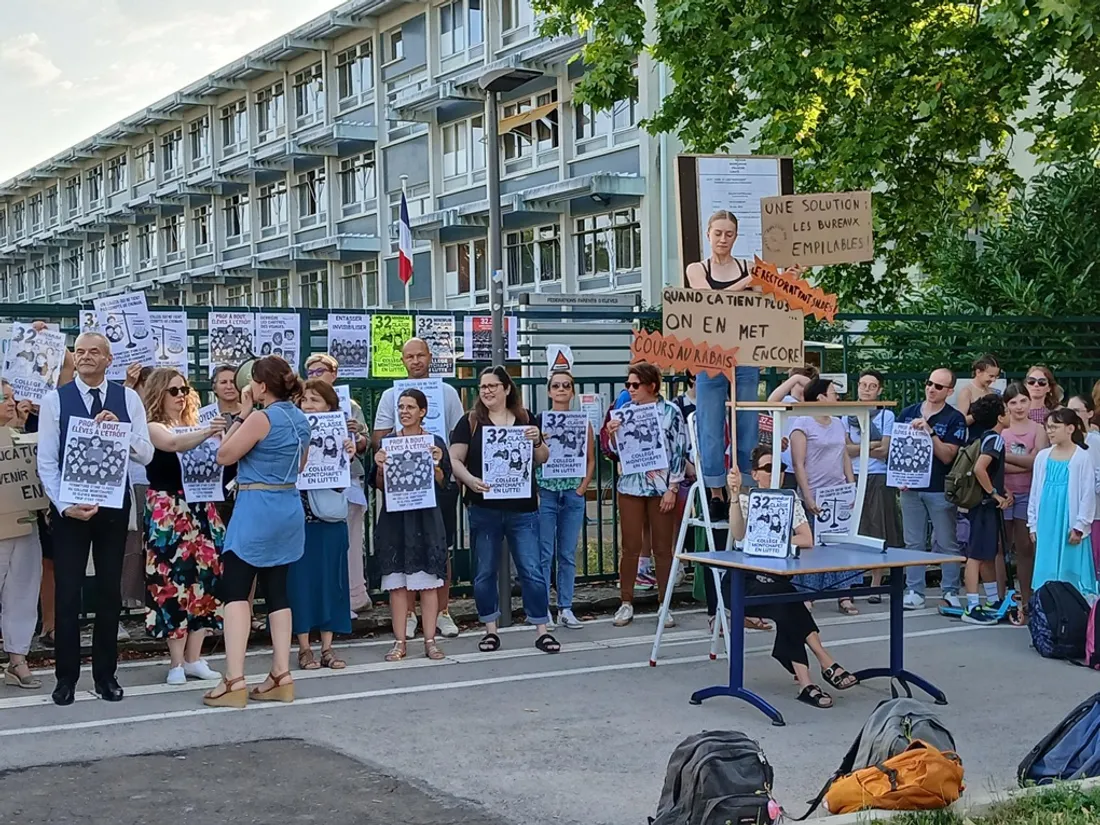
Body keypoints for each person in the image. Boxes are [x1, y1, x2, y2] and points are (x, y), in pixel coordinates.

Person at [36, 332, 154, 706]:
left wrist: (119, 430)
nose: (85, 358)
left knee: (108, 593)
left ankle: (106, 676)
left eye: (94, 352)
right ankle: (65, 678)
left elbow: (146, 454)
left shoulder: (128, 398)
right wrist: (62, 505)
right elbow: (46, 460)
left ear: (108, 359)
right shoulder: (56, 400)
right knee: (69, 594)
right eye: (80, 352)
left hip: (112, 507)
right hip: (71, 510)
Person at [203, 356, 311, 707]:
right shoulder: (300, 418)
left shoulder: (261, 418)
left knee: (237, 589)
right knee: (278, 589)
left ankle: (234, 677)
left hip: (256, 506)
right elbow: (302, 463)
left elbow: (224, 454)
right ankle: (281, 672)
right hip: (288, 502)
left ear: (261, 386)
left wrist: (243, 415)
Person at [726, 447, 860, 709]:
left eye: (780, 468)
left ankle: (806, 682)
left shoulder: (791, 500)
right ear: (754, 474)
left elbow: (806, 538)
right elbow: (739, 535)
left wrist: (774, 541)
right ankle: (824, 660)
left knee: (788, 601)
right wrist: (733, 495)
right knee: (790, 601)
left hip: (777, 579)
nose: (775, 473)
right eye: (767, 468)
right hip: (747, 581)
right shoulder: (744, 500)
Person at [449, 366, 557, 653]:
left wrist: (536, 441)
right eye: (483, 387)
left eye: (492, 386)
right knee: (485, 572)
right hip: (484, 509)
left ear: (507, 389)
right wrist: (470, 480)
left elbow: (543, 457)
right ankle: (490, 630)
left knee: (532, 570)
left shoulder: (524, 418)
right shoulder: (470, 421)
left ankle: (541, 629)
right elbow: (454, 459)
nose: (486, 391)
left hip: (522, 510)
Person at [371, 337, 465, 639]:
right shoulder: (389, 395)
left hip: (439, 483)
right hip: (402, 486)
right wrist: (394, 453)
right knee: (404, 549)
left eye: (420, 355)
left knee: (440, 548)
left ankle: (442, 611)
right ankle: (409, 614)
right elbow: (378, 437)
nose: (415, 361)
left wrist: (443, 464)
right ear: (402, 360)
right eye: (409, 356)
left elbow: (458, 434)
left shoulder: (447, 392)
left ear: (429, 357)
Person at [141, 368, 225, 685]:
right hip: (168, 508)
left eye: (184, 390)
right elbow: (173, 444)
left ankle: (194, 658)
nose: (180, 396)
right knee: (171, 582)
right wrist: (207, 433)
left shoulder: (196, 425)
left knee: (204, 580)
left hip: (202, 506)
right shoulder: (153, 426)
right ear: (159, 393)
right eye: (173, 390)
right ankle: (176, 661)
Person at [683, 211, 763, 517]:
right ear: (708, 234)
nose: (723, 239)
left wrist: (763, 282)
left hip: (744, 354)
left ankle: (743, 486)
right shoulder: (697, 269)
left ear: (736, 236)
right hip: (710, 356)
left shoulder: (747, 266)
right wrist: (746, 282)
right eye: (718, 233)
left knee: (747, 422)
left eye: (729, 234)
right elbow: (709, 301)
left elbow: (763, 303)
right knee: (710, 422)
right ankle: (715, 489)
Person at [602, 362, 688, 628]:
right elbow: (618, 452)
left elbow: (679, 450)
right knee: (630, 546)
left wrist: (673, 488)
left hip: (661, 486)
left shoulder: (671, 412)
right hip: (630, 485)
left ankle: (664, 604)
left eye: (635, 385)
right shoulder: (624, 412)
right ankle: (626, 602)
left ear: (652, 385)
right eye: (628, 385)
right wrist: (613, 435)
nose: (630, 390)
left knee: (663, 548)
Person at [372, 388, 451, 661]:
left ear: (423, 411)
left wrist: (437, 464)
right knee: (397, 585)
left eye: (410, 407)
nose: (404, 411)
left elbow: (443, 483)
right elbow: (380, 485)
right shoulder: (388, 443)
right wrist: (380, 467)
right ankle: (399, 642)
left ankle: (430, 641)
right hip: (395, 521)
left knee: (427, 583)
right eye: (401, 407)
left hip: (425, 520)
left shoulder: (434, 442)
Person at [886, 367, 968, 610]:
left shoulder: (954, 418)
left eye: (939, 386)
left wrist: (930, 432)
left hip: (939, 487)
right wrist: (898, 474)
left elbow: (947, 456)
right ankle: (914, 590)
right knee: (913, 541)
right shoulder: (907, 412)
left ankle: (950, 590)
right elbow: (896, 449)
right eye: (929, 383)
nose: (931, 389)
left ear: (950, 391)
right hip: (910, 486)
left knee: (946, 541)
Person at [289, 379, 354, 671]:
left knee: (332, 583)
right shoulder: (292, 431)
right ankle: (304, 648)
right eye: (304, 400)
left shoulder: (341, 435)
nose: (308, 405)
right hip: (299, 522)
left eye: (315, 400)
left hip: (329, 519)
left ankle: (328, 646)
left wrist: (350, 449)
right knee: (300, 585)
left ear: (329, 405)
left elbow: (343, 479)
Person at [304, 353, 372, 616]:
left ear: (334, 373)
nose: (315, 376)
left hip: (344, 480)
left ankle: (354, 596)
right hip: (311, 482)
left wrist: (357, 438)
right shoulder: (303, 407)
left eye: (320, 371)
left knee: (349, 541)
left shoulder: (351, 406)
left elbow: (365, 441)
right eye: (310, 372)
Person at [789, 378, 859, 614]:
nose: (837, 398)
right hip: (815, 491)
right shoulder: (802, 423)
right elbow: (798, 464)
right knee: (812, 546)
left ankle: (843, 593)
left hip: (837, 491)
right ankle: (808, 595)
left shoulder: (838, 423)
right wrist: (807, 496)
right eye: (833, 393)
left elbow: (844, 456)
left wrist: (852, 486)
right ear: (820, 397)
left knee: (840, 544)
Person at [536, 371, 596, 630]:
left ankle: (566, 607)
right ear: (549, 391)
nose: (561, 389)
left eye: (566, 385)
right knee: (544, 553)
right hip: (547, 492)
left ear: (572, 391)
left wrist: (583, 487)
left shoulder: (584, 422)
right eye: (556, 385)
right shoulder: (539, 422)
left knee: (567, 553)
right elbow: (531, 458)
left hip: (572, 493)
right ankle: (543, 610)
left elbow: (591, 458)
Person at [0, 381, 44, 689]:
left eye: (13, 398)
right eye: (4, 398)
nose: (11, 402)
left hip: (24, 526)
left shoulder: (24, 436)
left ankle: (17, 659)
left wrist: (21, 429)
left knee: (23, 592)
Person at [1027, 408, 1098, 598]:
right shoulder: (1042, 457)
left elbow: (1087, 494)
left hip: (1069, 519)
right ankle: (1048, 607)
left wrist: (1080, 525)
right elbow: (1035, 492)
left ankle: (1073, 608)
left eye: (1055, 427)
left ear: (1070, 429)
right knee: (1046, 562)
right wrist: (1032, 524)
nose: (1050, 431)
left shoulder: (1082, 457)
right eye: (1048, 427)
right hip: (1047, 518)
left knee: (1070, 565)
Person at [844, 370, 900, 601]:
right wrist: (870, 445)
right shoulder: (846, 413)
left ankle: (877, 581)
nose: (867, 389)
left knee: (878, 527)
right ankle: (855, 579)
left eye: (872, 385)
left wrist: (860, 447)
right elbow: (844, 449)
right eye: (863, 384)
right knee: (854, 527)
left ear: (880, 389)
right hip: (853, 475)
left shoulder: (886, 415)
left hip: (878, 475)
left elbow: (885, 450)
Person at [959, 394, 1013, 625]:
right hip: (984, 505)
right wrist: (994, 494)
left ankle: (993, 599)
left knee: (987, 553)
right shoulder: (996, 440)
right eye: (1007, 411)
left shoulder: (983, 437)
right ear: (1000, 417)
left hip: (980, 504)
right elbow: (981, 470)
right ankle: (972, 606)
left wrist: (1001, 490)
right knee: (975, 556)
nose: (1010, 414)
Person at [1002, 382, 1048, 613]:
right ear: (1006, 405)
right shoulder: (1002, 430)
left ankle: (1028, 601)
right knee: (1001, 547)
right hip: (1003, 494)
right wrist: (1024, 463)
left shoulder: (1039, 429)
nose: (1019, 407)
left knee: (1025, 548)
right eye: (1013, 402)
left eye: (1023, 401)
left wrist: (1008, 459)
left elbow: (1037, 461)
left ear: (1030, 402)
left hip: (1028, 494)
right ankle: (1002, 598)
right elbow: (995, 465)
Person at [1066, 394, 1100, 578]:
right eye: (1069, 411)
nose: (1073, 415)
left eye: (1077, 411)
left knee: (1094, 562)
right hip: (1071, 512)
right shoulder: (1065, 443)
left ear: (1089, 413)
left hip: (1095, 513)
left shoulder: (1095, 442)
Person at [210, 364, 242, 527]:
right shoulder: (201, 417)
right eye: (223, 382)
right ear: (214, 388)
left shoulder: (252, 415)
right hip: (212, 488)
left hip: (244, 488)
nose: (229, 386)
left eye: (233, 381)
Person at [955, 354, 1001, 429]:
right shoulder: (967, 392)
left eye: (996, 377)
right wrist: (975, 415)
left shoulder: (993, 392)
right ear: (978, 372)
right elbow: (960, 422)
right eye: (991, 376)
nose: (994, 380)